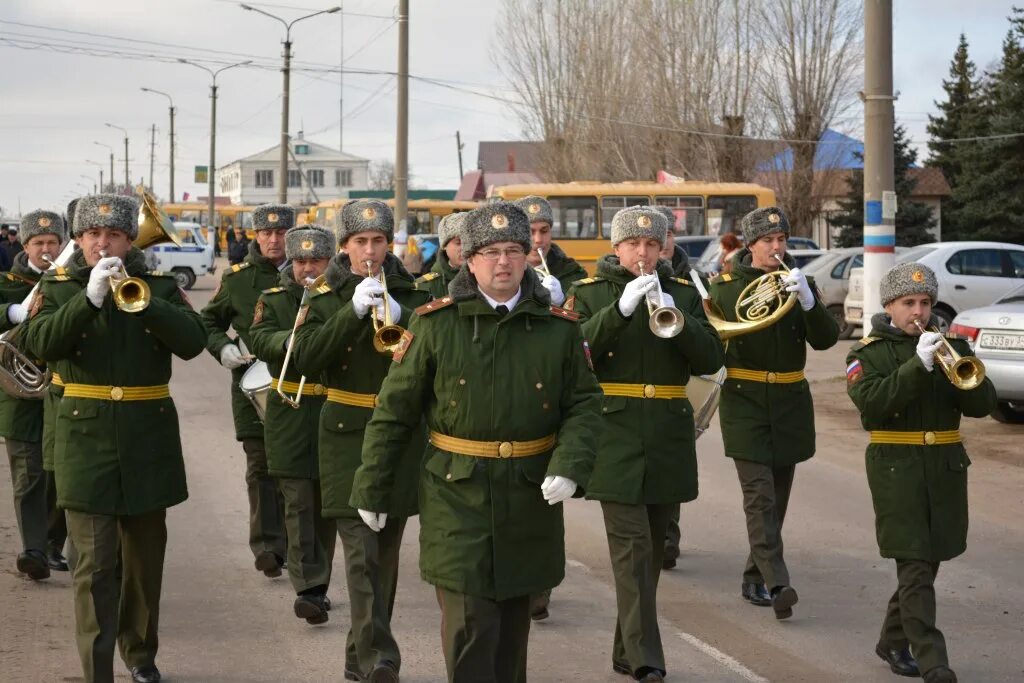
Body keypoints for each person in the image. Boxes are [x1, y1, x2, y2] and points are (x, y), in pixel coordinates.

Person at [351, 201, 602, 683]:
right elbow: (394, 412)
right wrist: (372, 487)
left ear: (530, 255)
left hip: (529, 496)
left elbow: (585, 405)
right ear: (468, 259)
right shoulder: (435, 324)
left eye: (513, 250)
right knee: (471, 627)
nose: (502, 262)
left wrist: (571, 463)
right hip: (456, 494)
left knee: (512, 629)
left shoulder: (558, 329)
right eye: (489, 252)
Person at [22, 193, 207, 683]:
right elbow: (39, 344)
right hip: (85, 441)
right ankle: (97, 669)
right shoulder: (57, 288)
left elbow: (193, 343)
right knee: (95, 567)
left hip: (148, 441)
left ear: (130, 241)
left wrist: (142, 302)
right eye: (92, 235)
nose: (102, 243)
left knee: (144, 568)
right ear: (78, 241)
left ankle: (141, 657)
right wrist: (89, 301)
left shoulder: (161, 287)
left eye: (114, 235)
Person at [567, 206, 724, 682]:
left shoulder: (682, 294)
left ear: (664, 248)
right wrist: (620, 311)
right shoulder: (589, 294)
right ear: (616, 248)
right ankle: (646, 658)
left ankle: (624, 646)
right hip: (612, 435)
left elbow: (712, 357)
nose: (642, 253)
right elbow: (574, 356)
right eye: (633, 244)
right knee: (633, 549)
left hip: (667, 434)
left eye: (652, 245)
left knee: (653, 552)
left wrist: (678, 318)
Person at [292, 199, 431, 682]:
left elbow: (435, 360)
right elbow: (306, 358)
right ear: (346, 247)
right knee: (360, 552)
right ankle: (380, 659)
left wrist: (403, 315)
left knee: (386, 556)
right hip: (346, 433)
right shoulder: (323, 294)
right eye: (360, 243)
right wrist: (351, 313)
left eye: (378, 241)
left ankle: (359, 656)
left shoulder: (416, 292)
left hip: (399, 437)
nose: (370, 251)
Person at [846, 263, 995, 683]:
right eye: (908, 303)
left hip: (946, 467)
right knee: (913, 562)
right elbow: (873, 405)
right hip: (897, 467)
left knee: (928, 561)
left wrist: (958, 362)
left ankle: (892, 639)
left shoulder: (950, 346)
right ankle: (933, 660)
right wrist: (917, 365)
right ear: (889, 306)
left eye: (925, 303)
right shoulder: (866, 353)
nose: (919, 312)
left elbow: (982, 405)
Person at [708, 207, 839, 620]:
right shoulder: (725, 289)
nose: (776, 247)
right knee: (759, 495)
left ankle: (753, 574)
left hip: (789, 400)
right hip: (744, 400)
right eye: (768, 241)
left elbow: (825, 340)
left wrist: (807, 301)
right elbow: (713, 343)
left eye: (781, 239)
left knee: (777, 498)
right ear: (750, 245)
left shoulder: (802, 283)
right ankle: (777, 580)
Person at [249, 225, 336, 626]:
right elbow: (260, 339)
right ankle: (309, 588)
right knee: (298, 500)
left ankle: (319, 581)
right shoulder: (275, 298)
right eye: (300, 261)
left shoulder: (344, 297)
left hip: (333, 408)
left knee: (327, 506)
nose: (307, 269)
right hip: (289, 410)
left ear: (330, 260)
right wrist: (288, 340)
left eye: (315, 261)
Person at [200, 204, 291, 578]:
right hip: (254, 389)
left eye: (281, 233)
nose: (273, 240)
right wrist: (223, 347)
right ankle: (268, 546)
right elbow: (208, 319)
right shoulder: (238, 279)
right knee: (261, 467)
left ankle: (299, 551)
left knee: (299, 473)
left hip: (302, 386)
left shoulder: (312, 272)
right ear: (255, 235)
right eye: (266, 233)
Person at [0, 209, 67, 580]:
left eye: (52, 243)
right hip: (18, 393)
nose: (46, 249)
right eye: (38, 243)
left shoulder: (71, 280)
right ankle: (34, 550)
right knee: (29, 476)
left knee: (60, 474)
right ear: (25, 245)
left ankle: (54, 544)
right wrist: (10, 311)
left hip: (62, 391)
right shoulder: (7, 281)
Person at [514, 195, 587, 304]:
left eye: (544, 231)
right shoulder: (503, 274)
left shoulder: (574, 274)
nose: (538, 240)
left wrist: (562, 302)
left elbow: (584, 319)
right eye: (530, 232)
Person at [414, 212, 468, 298]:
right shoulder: (425, 284)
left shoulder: (487, 279)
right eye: (458, 243)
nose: (465, 248)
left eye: (469, 242)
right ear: (444, 245)